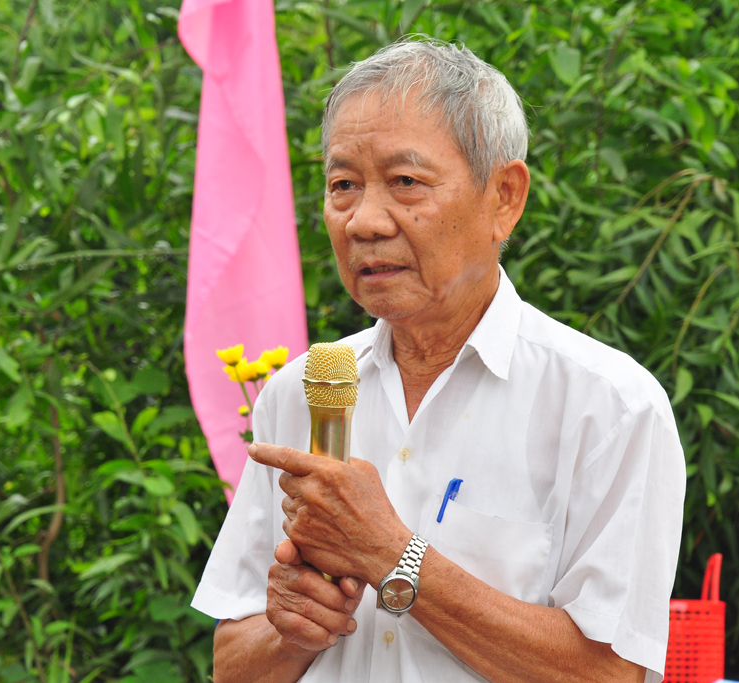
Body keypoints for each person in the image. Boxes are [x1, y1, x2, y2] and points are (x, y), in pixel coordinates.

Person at [191, 38, 686, 683]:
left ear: (504, 197)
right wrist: (291, 628)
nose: (365, 221)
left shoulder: (608, 406)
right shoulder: (303, 390)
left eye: (406, 183)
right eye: (343, 185)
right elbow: (231, 665)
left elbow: (611, 674)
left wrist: (391, 554)